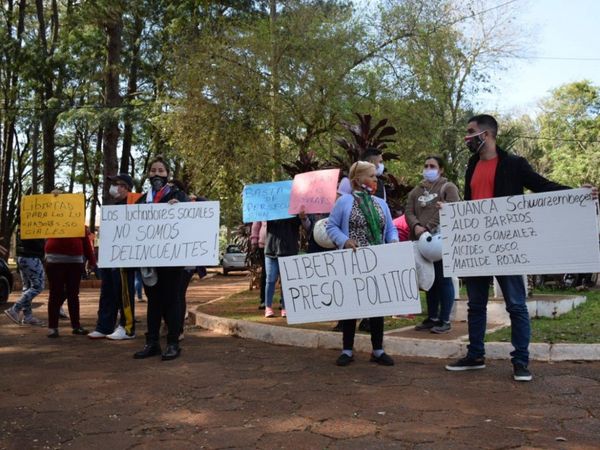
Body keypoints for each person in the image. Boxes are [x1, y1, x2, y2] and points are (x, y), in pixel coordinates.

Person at [445, 114, 597, 382]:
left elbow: (542, 186)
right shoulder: (471, 164)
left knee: (516, 305)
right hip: (479, 247)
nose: (466, 138)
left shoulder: (514, 164)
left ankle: (521, 361)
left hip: (507, 247)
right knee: (476, 304)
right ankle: (475, 355)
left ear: (486, 135)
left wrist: (578, 194)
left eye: (470, 132)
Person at [326, 161, 399, 367]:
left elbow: (391, 229)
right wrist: (344, 240)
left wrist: (393, 241)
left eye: (376, 177)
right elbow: (331, 226)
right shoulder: (344, 202)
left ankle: (378, 350)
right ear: (358, 180)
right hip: (353, 260)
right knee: (351, 306)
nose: (376, 180)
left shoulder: (380, 203)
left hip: (377, 261)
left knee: (377, 305)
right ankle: (347, 350)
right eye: (372, 176)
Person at [133, 157, 188, 361]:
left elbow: (189, 221)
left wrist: (179, 208)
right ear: (148, 174)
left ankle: (173, 343)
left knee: (172, 301)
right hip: (149, 261)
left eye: (161, 171)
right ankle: (152, 342)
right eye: (153, 171)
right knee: (153, 302)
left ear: (167, 175)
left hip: (172, 260)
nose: (157, 174)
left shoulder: (177, 195)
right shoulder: (141, 200)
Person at [406, 156, 460, 334]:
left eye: (433, 166)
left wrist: (428, 227)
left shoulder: (448, 187)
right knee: (430, 280)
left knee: (443, 279)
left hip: (440, 241)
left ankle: (445, 319)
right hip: (421, 240)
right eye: (426, 165)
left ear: (441, 169)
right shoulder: (416, 190)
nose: (428, 168)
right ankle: (432, 317)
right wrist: (416, 226)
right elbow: (409, 211)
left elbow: (453, 208)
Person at [88, 174, 137, 340]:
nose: (114, 187)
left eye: (117, 184)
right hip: (109, 256)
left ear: (126, 187)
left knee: (124, 293)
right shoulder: (113, 206)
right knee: (107, 291)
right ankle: (104, 326)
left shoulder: (137, 204)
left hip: (125, 257)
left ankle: (127, 327)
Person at [45, 225, 97, 338]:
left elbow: (86, 243)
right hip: (55, 261)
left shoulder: (78, 223)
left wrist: (92, 261)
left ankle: (75, 326)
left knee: (72, 295)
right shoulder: (51, 221)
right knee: (56, 294)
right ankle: (53, 327)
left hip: (73, 262)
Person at [264, 211, 310, 319]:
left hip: (289, 251)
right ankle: (268, 307)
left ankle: (285, 307)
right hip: (271, 251)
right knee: (270, 280)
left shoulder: (295, 210)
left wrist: (303, 217)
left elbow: (306, 226)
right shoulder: (271, 210)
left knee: (286, 282)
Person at [4, 231, 45, 326]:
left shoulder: (24, 221)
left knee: (27, 287)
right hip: (31, 256)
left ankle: (28, 317)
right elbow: (37, 243)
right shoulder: (36, 222)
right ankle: (14, 309)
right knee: (38, 286)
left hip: (23, 256)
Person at [250, 221, 267, 309]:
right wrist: (254, 241)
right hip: (263, 245)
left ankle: (283, 302)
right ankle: (264, 300)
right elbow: (256, 223)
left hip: (283, 242)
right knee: (265, 273)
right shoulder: (262, 207)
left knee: (283, 272)